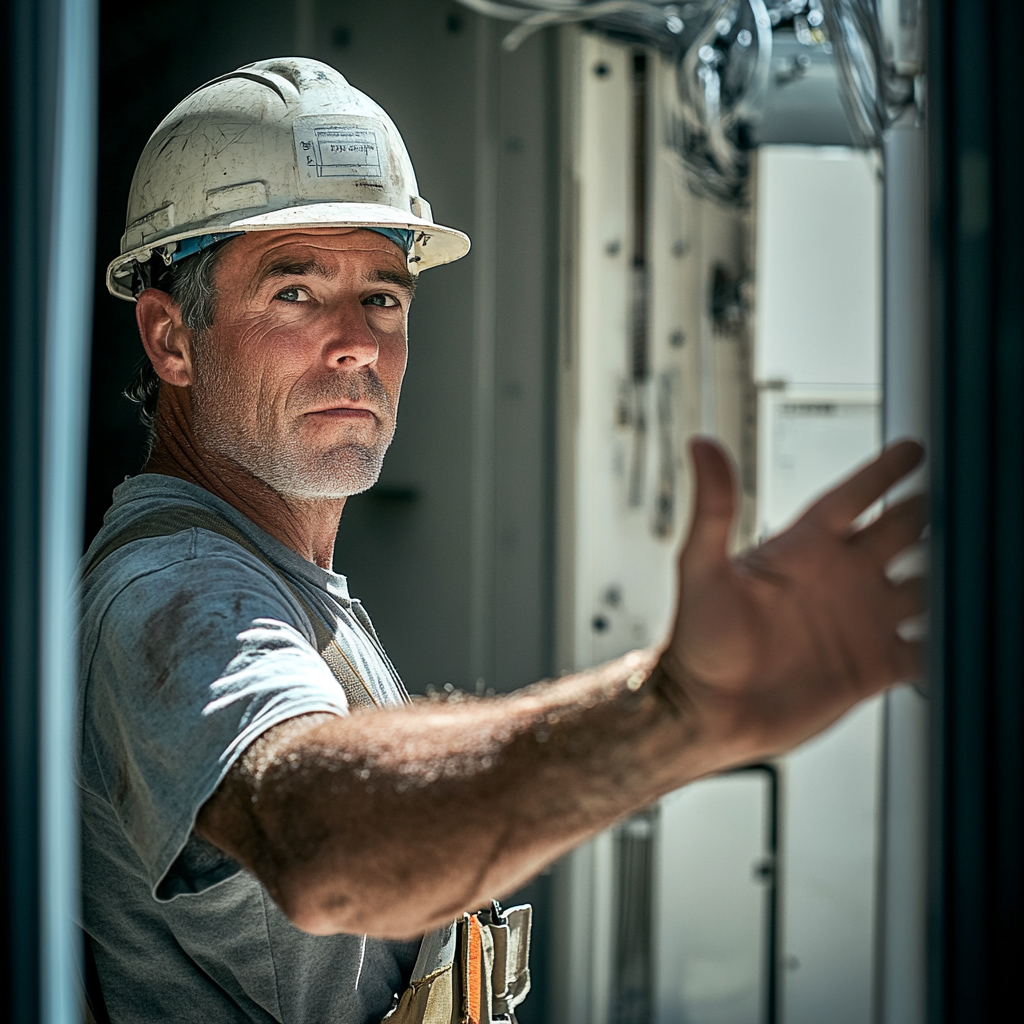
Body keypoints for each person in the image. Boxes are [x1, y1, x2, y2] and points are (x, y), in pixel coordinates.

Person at [78, 57, 926, 1023]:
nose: (356, 339)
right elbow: (320, 849)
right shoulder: (174, 589)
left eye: (384, 297)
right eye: (295, 294)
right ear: (170, 340)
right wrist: (673, 712)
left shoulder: (269, 577)